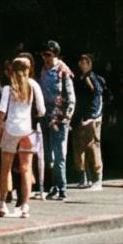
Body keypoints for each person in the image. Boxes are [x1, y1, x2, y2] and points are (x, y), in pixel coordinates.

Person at [0, 53, 46, 219]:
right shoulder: (33, 85)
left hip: (11, 129)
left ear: (11, 70)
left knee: (5, 168)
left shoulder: (8, 89)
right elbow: (42, 110)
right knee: (26, 169)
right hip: (28, 130)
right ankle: (24, 206)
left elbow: (2, 112)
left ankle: (2, 204)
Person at [38, 43, 75, 203]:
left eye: (49, 55)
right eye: (44, 55)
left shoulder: (62, 71)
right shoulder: (43, 70)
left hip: (58, 117)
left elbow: (71, 97)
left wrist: (67, 115)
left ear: (55, 55)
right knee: (48, 155)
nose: (46, 58)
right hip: (45, 116)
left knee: (59, 154)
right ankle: (53, 185)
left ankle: (62, 187)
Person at [74, 51, 106, 191]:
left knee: (93, 147)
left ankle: (97, 179)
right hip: (83, 117)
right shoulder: (82, 78)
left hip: (91, 118)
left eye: (83, 62)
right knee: (81, 148)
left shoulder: (91, 78)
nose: (80, 64)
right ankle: (84, 178)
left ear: (89, 64)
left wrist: (93, 117)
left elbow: (97, 97)